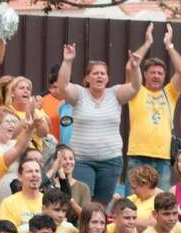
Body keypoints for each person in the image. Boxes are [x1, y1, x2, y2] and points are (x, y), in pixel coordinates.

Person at [58, 43, 142, 203]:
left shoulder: (115, 93)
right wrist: (67, 61)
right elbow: (63, 87)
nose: (99, 76)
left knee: (102, 205)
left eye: (103, 73)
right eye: (95, 73)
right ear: (87, 78)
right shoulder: (79, 94)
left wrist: (135, 67)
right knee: (84, 203)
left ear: (107, 78)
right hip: (82, 160)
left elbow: (135, 87)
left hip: (111, 161)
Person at [127, 23, 181, 191]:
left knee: (162, 201)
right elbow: (131, 66)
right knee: (132, 201)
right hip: (137, 156)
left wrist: (169, 46)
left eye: (160, 73)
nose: (156, 76)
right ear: (145, 74)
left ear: (165, 76)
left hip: (162, 158)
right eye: (152, 72)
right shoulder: (136, 90)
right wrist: (147, 43)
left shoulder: (170, 93)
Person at [44, 145, 91, 224]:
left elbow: (87, 217)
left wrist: (71, 201)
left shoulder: (83, 188)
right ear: (57, 161)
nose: (68, 162)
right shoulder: (49, 184)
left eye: (71, 159)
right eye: (64, 159)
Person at [4, 76, 51, 151]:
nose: (26, 91)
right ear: (12, 93)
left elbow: (44, 133)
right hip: (16, 153)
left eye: (28, 89)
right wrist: (27, 117)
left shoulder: (36, 111)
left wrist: (33, 113)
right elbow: (10, 135)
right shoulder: (5, 111)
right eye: (22, 88)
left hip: (35, 153)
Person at [0, 106, 21, 200]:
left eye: (14, 122)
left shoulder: (15, 144)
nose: (12, 125)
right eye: (8, 122)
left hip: (14, 198)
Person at [0, 158, 43, 228]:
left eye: (37, 171)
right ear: (19, 176)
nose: (34, 174)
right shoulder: (9, 203)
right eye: (29, 171)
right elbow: (6, 231)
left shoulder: (48, 201)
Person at [125, 165, 160, 231]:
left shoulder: (160, 201)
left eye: (134, 188)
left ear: (144, 183)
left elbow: (154, 224)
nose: (132, 191)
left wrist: (125, 219)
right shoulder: (133, 198)